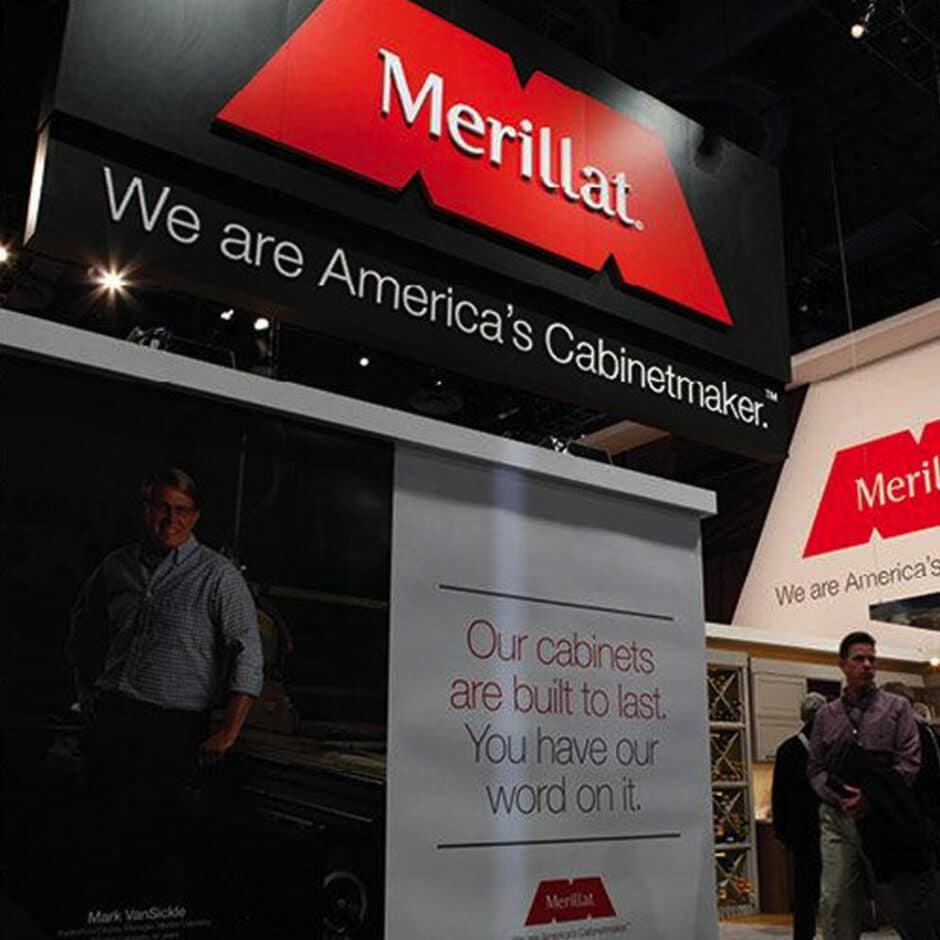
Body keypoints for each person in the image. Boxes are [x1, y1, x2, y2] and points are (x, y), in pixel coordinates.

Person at [66, 467, 264, 902]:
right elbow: (84, 627)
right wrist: (84, 689)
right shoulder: (116, 566)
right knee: (98, 839)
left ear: (195, 517)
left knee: (156, 851)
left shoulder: (218, 576)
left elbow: (247, 651)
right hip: (113, 718)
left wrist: (228, 730)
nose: (170, 519)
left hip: (173, 731)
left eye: (181, 510)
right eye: (161, 507)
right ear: (146, 509)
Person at [807, 630, 939, 940]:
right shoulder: (827, 715)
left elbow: (909, 763)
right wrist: (837, 797)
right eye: (859, 659)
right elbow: (814, 768)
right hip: (837, 820)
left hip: (883, 818)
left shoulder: (896, 709)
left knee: (898, 902)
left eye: (872, 659)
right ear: (842, 664)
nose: (867, 665)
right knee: (836, 902)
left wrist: (872, 797)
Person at [772, 691, 827, 940]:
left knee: (804, 894)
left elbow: (778, 797)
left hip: (801, 834)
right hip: (825, 830)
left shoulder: (787, 750)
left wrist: (784, 833)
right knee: (832, 891)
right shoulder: (828, 748)